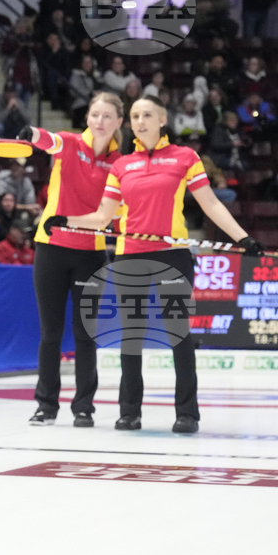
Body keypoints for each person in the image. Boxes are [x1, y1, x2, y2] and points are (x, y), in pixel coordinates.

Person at [43, 95, 265, 434]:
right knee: (130, 336)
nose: (140, 121)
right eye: (134, 116)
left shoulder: (185, 157)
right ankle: (129, 411)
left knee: (179, 334)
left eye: (147, 114)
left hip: (173, 254)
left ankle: (187, 413)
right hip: (130, 254)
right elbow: (103, 216)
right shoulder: (121, 166)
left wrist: (243, 238)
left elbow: (210, 204)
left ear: (162, 119)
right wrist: (64, 219)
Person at [19, 93, 124, 427]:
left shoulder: (120, 163)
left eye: (107, 116)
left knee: (85, 334)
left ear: (119, 122)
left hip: (90, 253)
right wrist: (29, 134)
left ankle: (83, 407)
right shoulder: (70, 143)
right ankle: (46, 406)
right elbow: (45, 139)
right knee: (51, 333)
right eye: (95, 114)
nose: (99, 122)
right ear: (88, 117)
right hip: (51, 247)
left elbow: (119, 213)